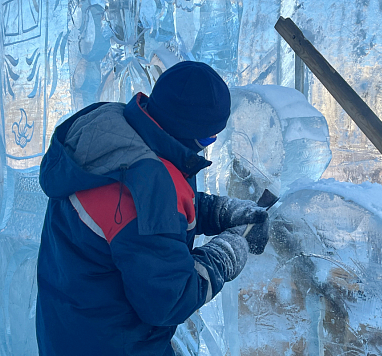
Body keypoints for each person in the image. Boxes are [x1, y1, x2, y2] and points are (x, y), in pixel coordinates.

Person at [36, 61, 270, 356]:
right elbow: (168, 299)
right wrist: (224, 256)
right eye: (209, 138)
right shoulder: (147, 187)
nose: (207, 146)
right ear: (195, 137)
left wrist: (220, 212)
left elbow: (153, 222)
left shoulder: (111, 139)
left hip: (70, 331)